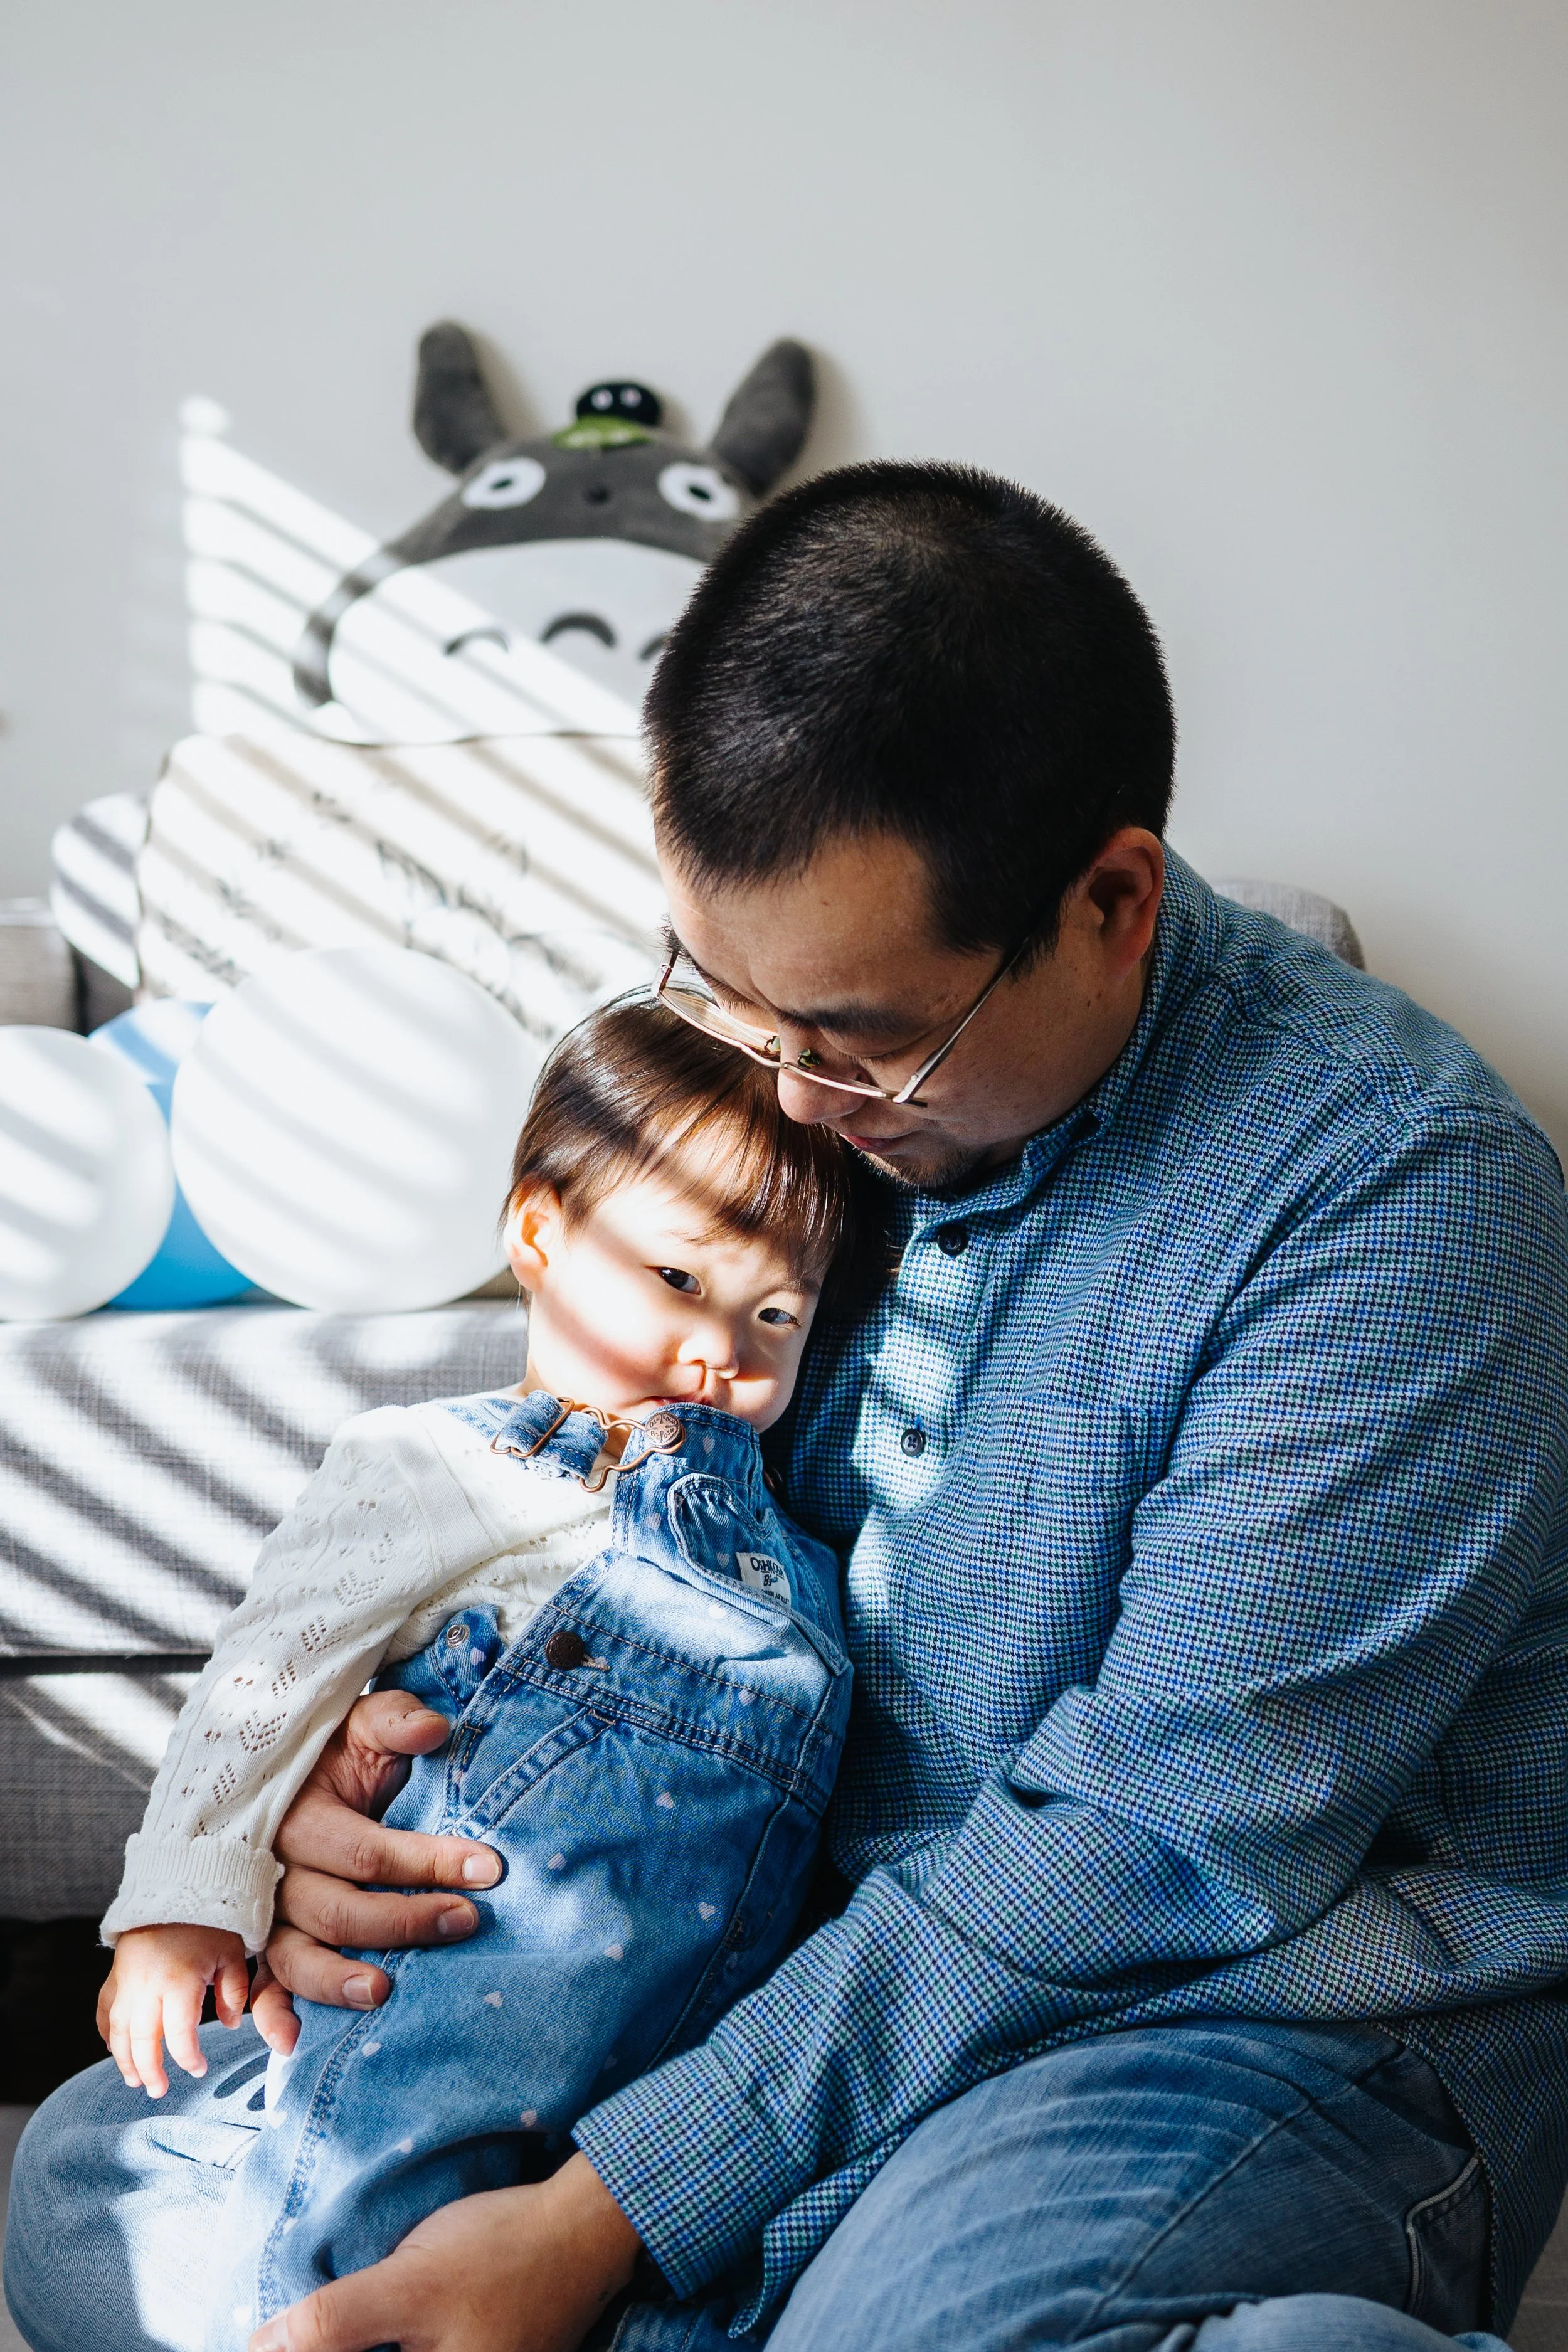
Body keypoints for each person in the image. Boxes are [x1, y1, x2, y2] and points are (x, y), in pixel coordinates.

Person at [10, 462, 1568, 2352]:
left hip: (1233, 2008)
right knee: (113, 2186)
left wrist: (600, 2211)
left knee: (892, 2325)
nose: (785, 1089)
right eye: (721, 991)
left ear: (1111, 900)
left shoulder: (1397, 1200)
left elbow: (1156, 1845)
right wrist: (375, 1795)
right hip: (778, 1942)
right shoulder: (801, 1086)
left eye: (851, 1032)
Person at [22, 1000, 866, 2352]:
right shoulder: (443, 1465)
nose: (725, 1352)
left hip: (659, 2062)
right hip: (460, 1992)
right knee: (316, 2239)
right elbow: (269, 1679)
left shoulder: (795, 1541)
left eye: (778, 1312)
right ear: (536, 1235)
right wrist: (181, 1910)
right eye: (681, 1283)